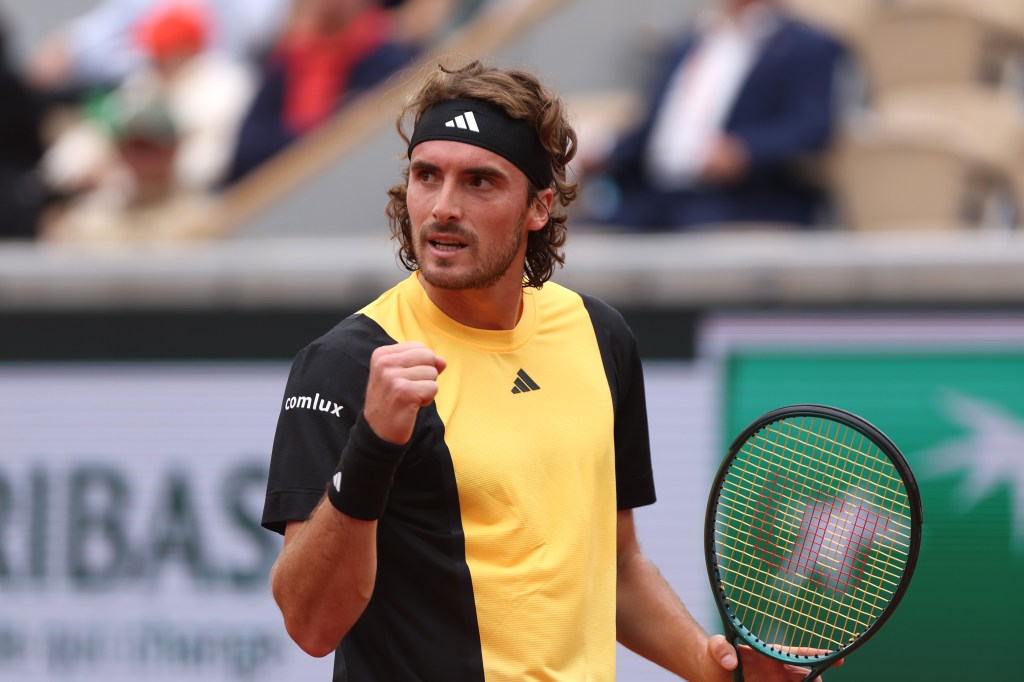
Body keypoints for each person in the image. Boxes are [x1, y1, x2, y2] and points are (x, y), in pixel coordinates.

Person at [261, 60, 832, 681]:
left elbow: (613, 565)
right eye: (427, 176)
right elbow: (311, 625)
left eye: (480, 182)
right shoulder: (347, 362)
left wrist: (720, 669)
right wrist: (372, 449)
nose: (443, 208)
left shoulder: (599, 334)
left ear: (539, 207)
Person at [582, 0, 845, 231]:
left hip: (743, 199)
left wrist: (743, 150)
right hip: (654, 194)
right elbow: (650, 129)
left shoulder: (808, 45)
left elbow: (812, 127)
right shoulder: (688, 41)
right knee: (580, 237)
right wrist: (604, 150)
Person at [224, 0, 419, 183]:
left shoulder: (387, 57)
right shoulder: (290, 59)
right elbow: (245, 150)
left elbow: (367, 143)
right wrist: (325, 124)